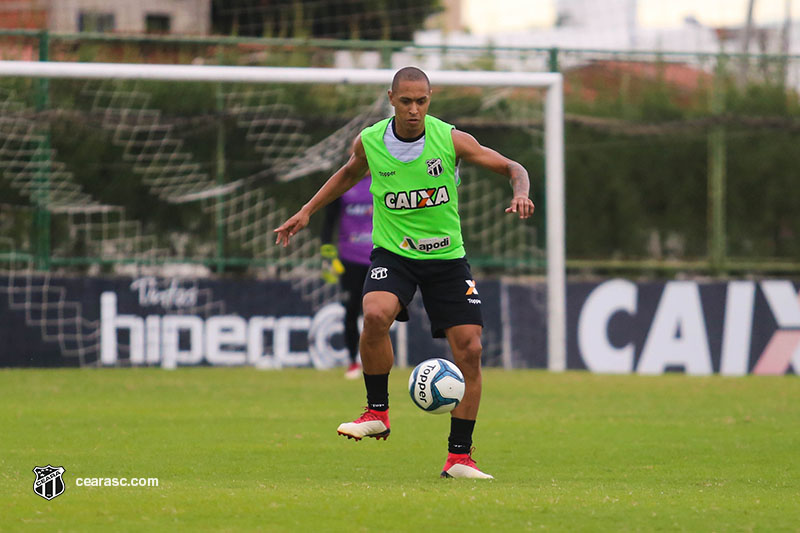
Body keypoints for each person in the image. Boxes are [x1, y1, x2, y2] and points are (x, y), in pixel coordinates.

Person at [274, 66, 534, 479]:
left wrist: (520, 192)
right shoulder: (371, 141)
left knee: (470, 350)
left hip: (447, 259)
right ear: (391, 99)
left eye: (422, 101)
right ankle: (377, 412)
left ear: (430, 99)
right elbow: (347, 173)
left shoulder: (450, 140)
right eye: (407, 101)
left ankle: (459, 458)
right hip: (394, 254)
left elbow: (512, 167)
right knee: (375, 313)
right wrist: (307, 211)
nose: (414, 109)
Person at [319, 175, 373, 379]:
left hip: (380, 257)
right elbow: (328, 222)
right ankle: (353, 361)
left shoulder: (385, 176)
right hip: (349, 258)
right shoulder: (343, 182)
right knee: (351, 311)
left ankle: (378, 360)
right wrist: (327, 256)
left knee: (377, 313)